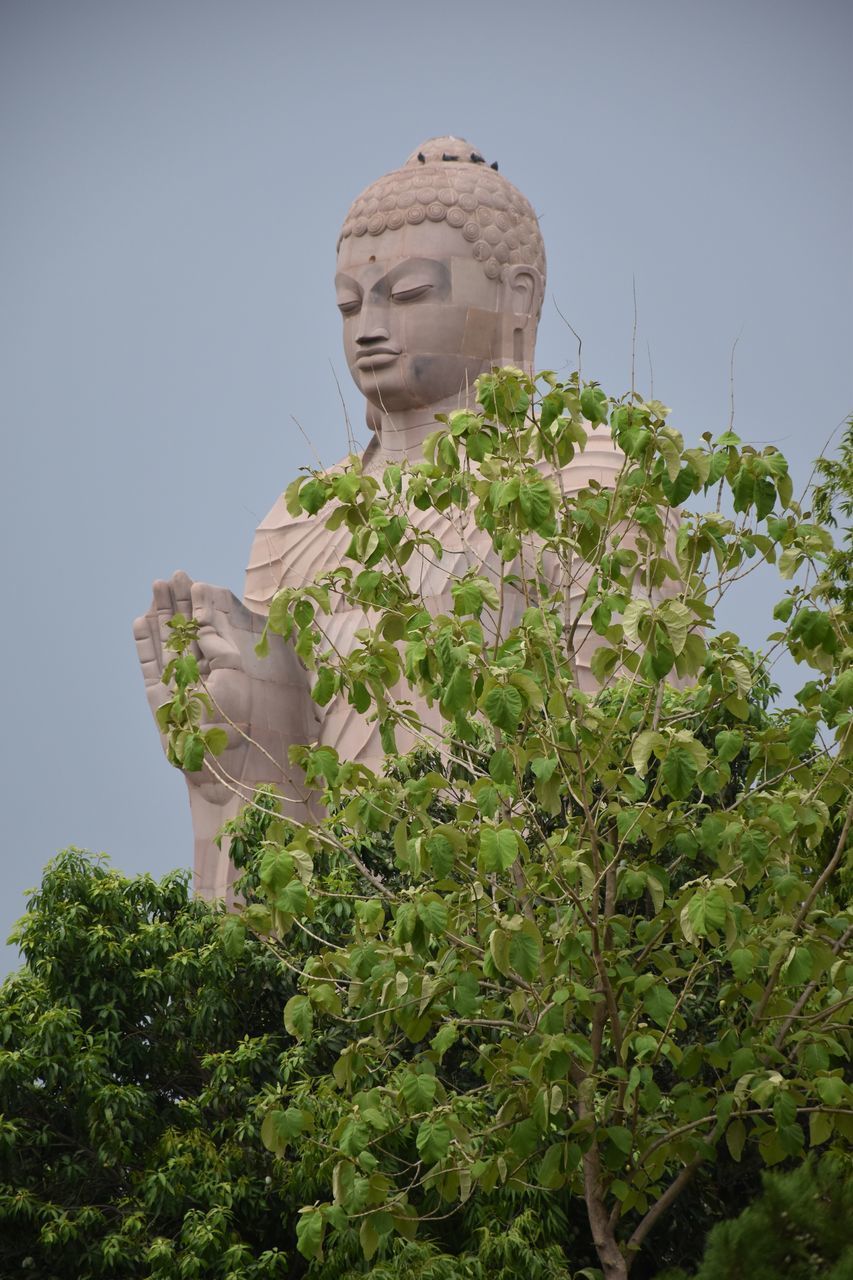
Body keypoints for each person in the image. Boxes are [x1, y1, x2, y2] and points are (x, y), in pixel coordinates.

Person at [134, 137, 627, 899]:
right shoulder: (299, 523)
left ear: (518, 295)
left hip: (529, 929)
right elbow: (290, 794)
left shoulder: (582, 482)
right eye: (348, 303)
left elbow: (633, 759)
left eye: (405, 295)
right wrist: (233, 735)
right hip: (349, 957)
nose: (367, 327)